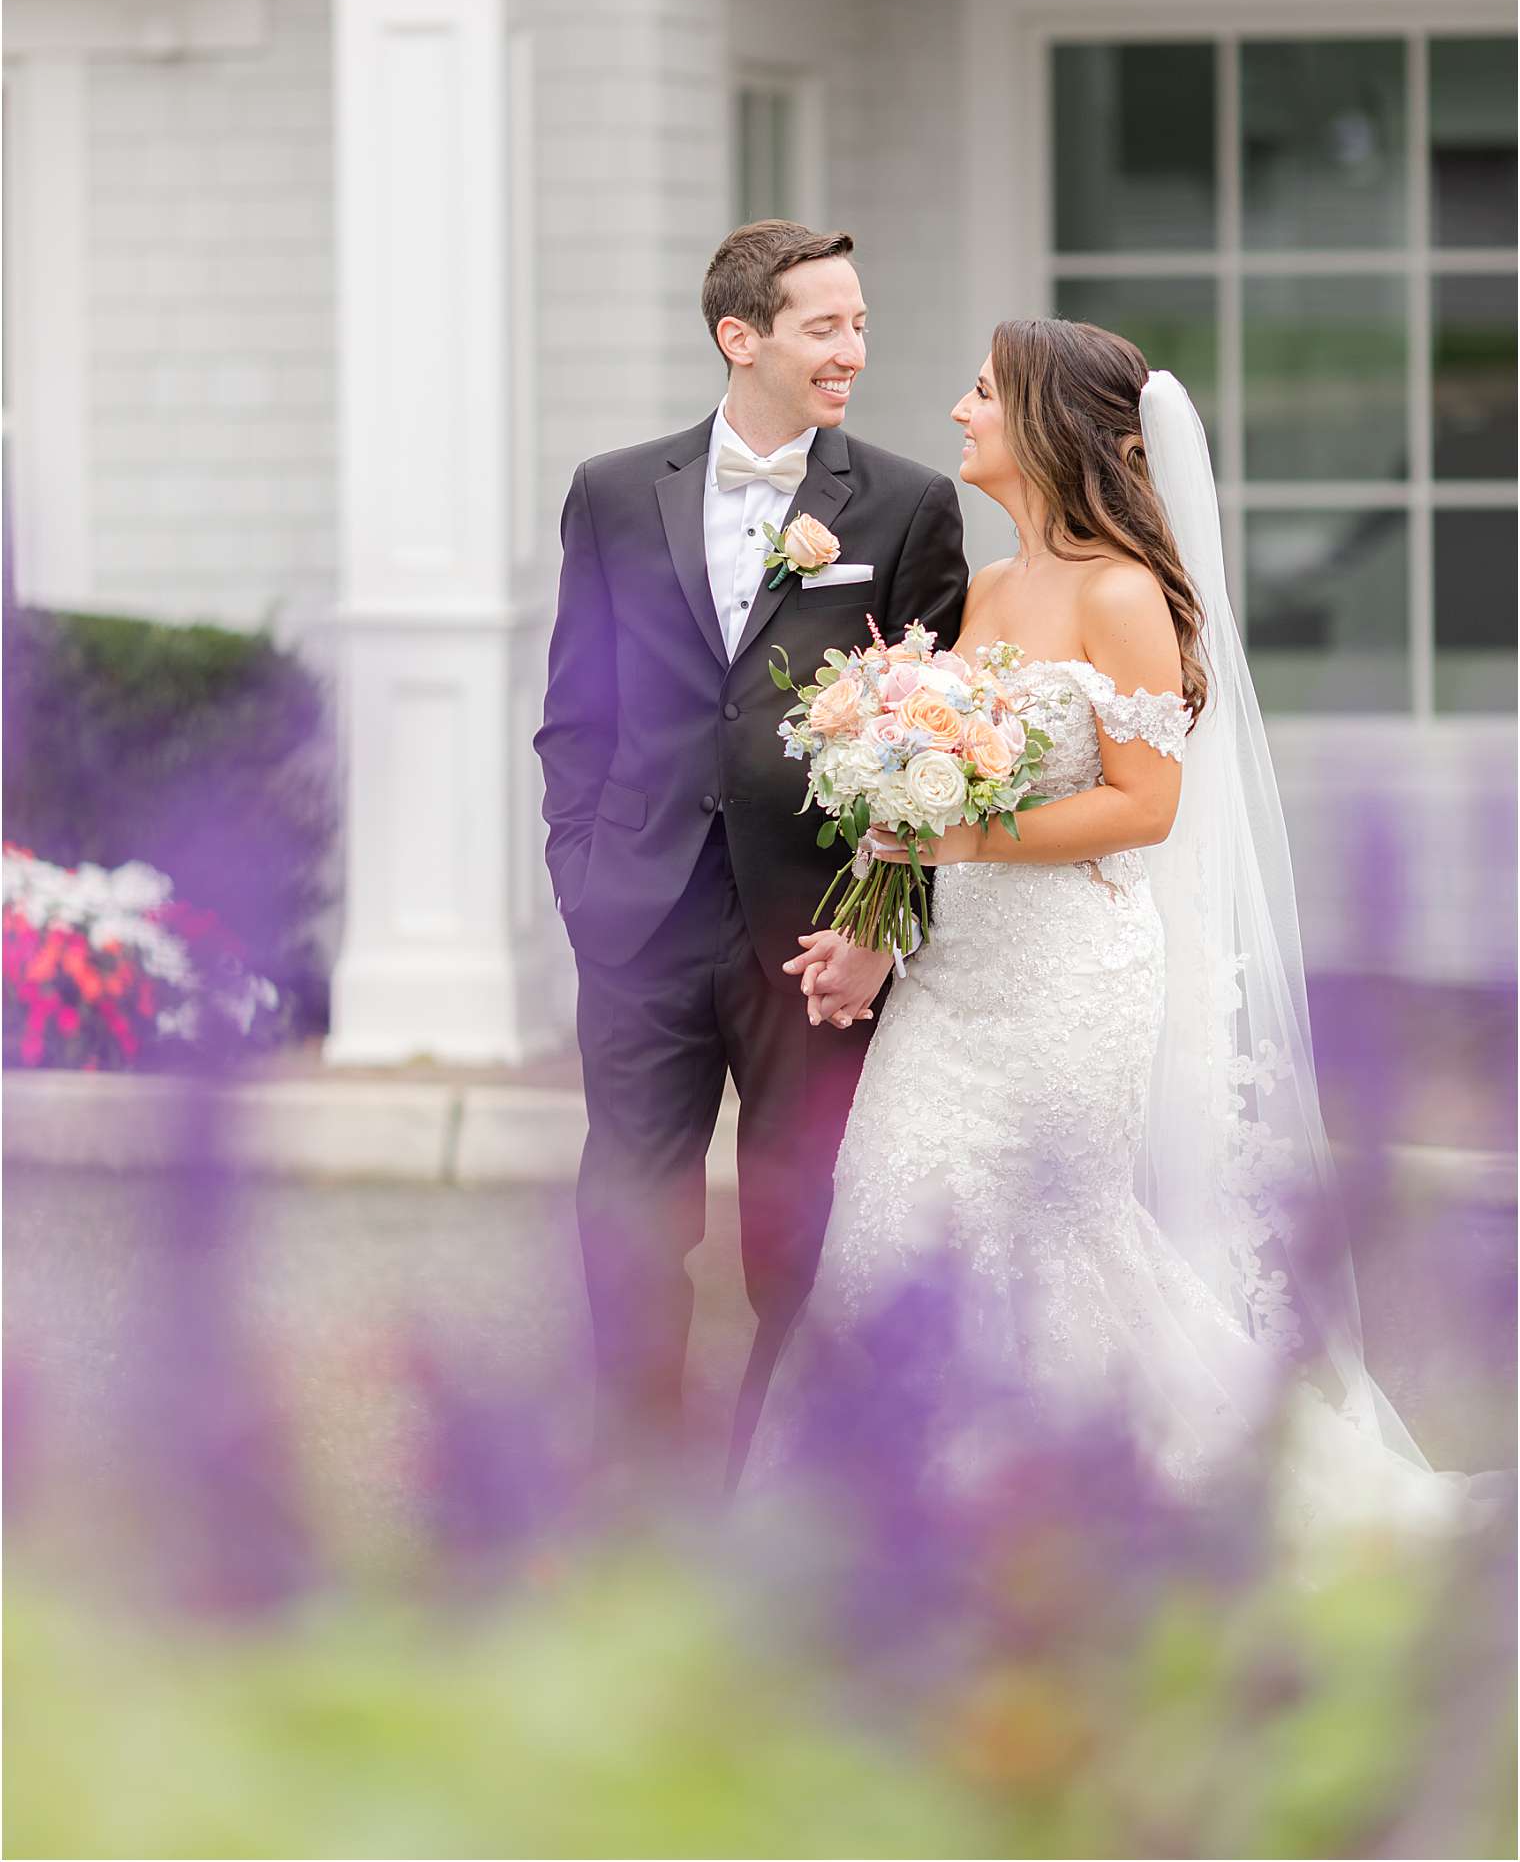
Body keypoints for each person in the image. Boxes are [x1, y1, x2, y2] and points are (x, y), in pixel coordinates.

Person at [760, 317, 1491, 1537]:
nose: (957, 412)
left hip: (1067, 982)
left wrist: (956, 839)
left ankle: (1082, 1521)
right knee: (886, 1214)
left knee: (1045, 1240)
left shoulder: (1122, 593)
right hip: (950, 985)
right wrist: (871, 938)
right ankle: (887, 1516)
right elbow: (927, 792)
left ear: (1045, 424)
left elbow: (1142, 807)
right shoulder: (987, 588)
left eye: (980, 391)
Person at [534, 221, 967, 1480]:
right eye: (824, 326)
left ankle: (769, 1478)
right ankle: (636, 1473)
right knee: (626, 1203)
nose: (853, 350)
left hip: (814, 926)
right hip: (638, 910)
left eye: (859, 324)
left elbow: (932, 735)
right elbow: (577, 710)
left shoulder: (904, 503)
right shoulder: (615, 492)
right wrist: (581, 875)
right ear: (742, 338)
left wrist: (880, 919)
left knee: (801, 1218)